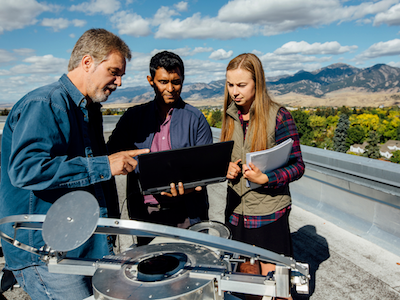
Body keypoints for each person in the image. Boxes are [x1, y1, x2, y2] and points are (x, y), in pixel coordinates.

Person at [0, 28, 149, 299]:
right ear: (88, 62)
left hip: (81, 247)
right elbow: (26, 169)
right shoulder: (45, 103)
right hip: (46, 254)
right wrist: (105, 165)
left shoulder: (88, 110)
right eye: (114, 72)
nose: (119, 83)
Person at [221, 53, 305, 300]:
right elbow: (224, 157)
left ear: (257, 82)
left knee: (277, 289)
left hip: (270, 214)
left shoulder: (279, 116)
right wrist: (225, 168)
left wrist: (267, 179)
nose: (235, 92)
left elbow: (298, 165)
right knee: (248, 287)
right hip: (237, 213)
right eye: (230, 84)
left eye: (241, 85)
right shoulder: (229, 115)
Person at [107, 51, 213, 244]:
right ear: (151, 80)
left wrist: (188, 188)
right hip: (146, 215)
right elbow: (110, 155)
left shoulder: (196, 119)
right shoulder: (132, 118)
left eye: (176, 82)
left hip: (187, 215)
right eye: (163, 82)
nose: (171, 88)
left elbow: (207, 170)